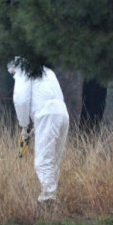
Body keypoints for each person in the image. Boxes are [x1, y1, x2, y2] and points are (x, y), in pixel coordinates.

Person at [8, 57, 70, 203]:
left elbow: (21, 99)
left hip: (46, 114)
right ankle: (50, 196)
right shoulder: (48, 72)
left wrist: (24, 126)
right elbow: (50, 99)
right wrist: (36, 126)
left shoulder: (23, 71)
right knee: (54, 160)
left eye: (12, 73)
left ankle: (48, 200)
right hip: (62, 113)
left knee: (42, 161)